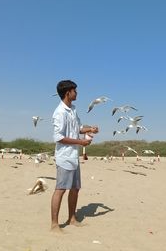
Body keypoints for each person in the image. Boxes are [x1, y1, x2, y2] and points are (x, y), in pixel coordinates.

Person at [50, 80, 99, 233]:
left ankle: (72, 219)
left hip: (74, 156)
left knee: (75, 188)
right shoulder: (59, 112)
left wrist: (90, 129)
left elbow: (77, 128)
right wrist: (80, 142)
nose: (77, 93)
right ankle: (54, 225)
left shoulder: (73, 109)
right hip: (64, 156)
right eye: (75, 91)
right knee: (60, 189)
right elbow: (58, 137)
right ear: (68, 93)